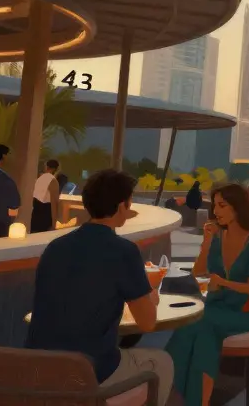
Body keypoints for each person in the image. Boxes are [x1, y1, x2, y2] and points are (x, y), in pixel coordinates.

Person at [26, 169, 173, 406]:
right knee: (161, 363)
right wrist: (151, 297)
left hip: (38, 371)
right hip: (87, 374)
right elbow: (147, 322)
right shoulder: (123, 251)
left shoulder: (55, 248)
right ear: (122, 206)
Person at [166, 183, 249, 406]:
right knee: (189, 328)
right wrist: (206, 242)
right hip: (215, 306)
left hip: (244, 311)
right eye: (215, 205)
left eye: (222, 205)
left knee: (203, 326)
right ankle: (175, 397)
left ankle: (188, 400)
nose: (216, 211)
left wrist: (223, 282)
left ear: (238, 207)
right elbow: (198, 273)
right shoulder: (217, 237)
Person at [31, 160, 61, 233]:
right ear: (56, 169)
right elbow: (54, 203)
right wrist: (54, 224)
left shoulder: (39, 179)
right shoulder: (53, 180)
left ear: (46, 167)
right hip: (46, 213)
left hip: (35, 211)